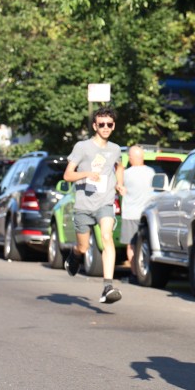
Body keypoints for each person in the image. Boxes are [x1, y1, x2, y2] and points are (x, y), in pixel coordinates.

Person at [63, 105, 125, 304]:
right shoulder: (82, 148)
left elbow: (119, 167)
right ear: (95, 126)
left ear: (113, 126)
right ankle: (75, 255)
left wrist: (120, 184)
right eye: (102, 124)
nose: (105, 127)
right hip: (83, 205)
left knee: (107, 237)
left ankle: (108, 287)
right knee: (83, 247)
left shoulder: (115, 149)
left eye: (109, 124)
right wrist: (86, 174)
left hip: (105, 202)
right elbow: (67, 175)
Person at [121, 145, 155, 268]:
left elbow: (119, 188)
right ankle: (143, 270)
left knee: (131, 245)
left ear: (131, 158)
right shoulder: (151, 172)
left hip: (130, 214)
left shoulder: (126, 174)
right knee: (144, 245)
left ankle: (134, 272)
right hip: (147, 215)